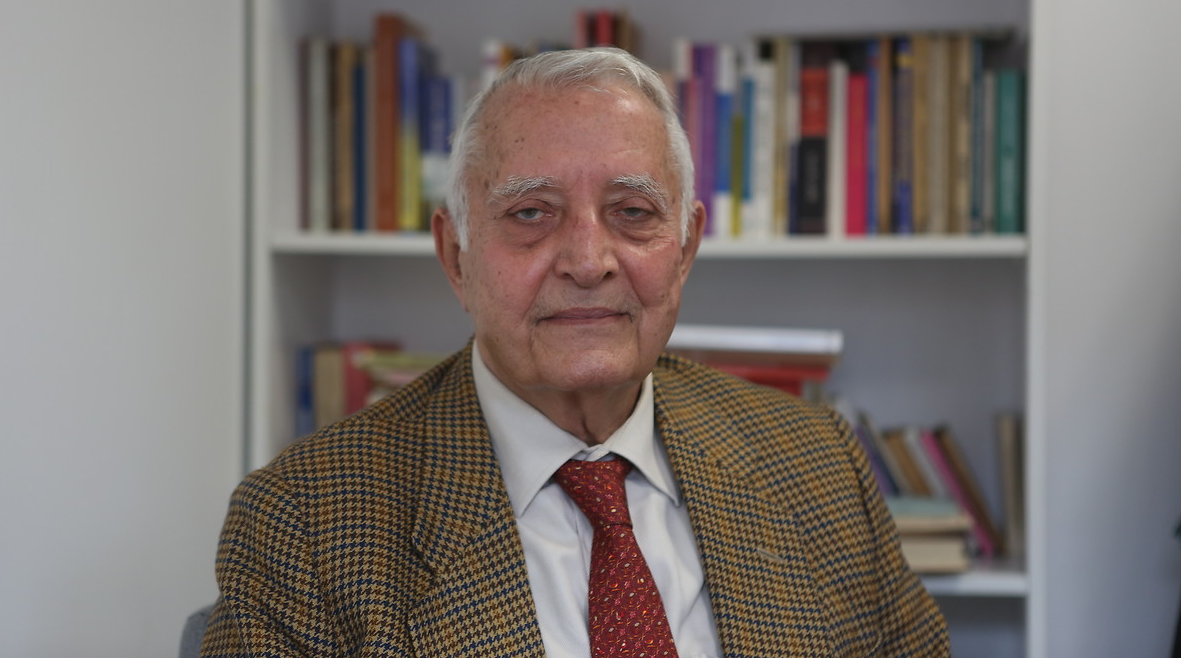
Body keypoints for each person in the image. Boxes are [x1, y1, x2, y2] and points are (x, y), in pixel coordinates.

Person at [200, 47, 949, 657]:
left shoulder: (817, 465)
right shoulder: (305, 523)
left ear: (685, 248)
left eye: (632, 212)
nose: (589, 261)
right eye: (531, 213)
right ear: (456, 256)